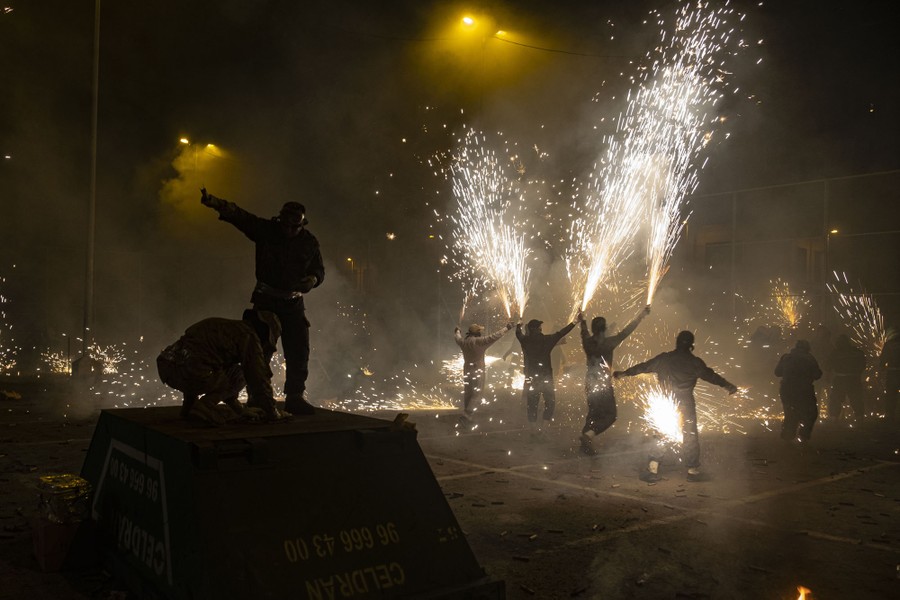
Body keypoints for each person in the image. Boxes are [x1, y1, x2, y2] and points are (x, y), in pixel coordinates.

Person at [201, 188, 325, 416]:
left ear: (302, 224)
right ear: (280, 221)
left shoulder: (309, 242)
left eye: (294, 227)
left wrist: (312, 279)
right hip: (266, 301)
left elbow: (319, 269)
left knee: (298, 349)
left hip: (293, 304)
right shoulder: (268, 231)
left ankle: (295, 397)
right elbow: (242, 217)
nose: (289, 230)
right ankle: (257, 397)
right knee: (257, 351)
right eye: (286, 225)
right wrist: (217, 204)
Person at [613, 330, 737, 482]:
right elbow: (711, 376)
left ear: (677, 342)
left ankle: (653, 470)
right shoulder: (695, 362)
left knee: (660, 434)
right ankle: (692, 471)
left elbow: (644, 367)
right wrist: (727, 385)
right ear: (692, 345)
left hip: (666, 401)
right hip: (685, 403)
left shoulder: (665, 359)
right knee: (690, 436)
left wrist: (624, 373)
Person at [156, 310, 288, 425]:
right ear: (266, 333)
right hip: (192, 373)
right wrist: (273, 412)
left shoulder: (221, 325)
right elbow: (258, 377)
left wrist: (240, 410)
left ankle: (189, 408)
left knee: (205, 362)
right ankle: (205, 406)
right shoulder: (249, 336)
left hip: (168, 369)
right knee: (242, 373)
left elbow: (195, 356)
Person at [578, 305, 650, 455]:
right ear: (605, 328)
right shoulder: (609, 343)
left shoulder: (587, 342)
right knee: (611, 415)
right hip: (603, 384)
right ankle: (588, 436)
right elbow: (626, 331)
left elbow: (584, 332)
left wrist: (582, 319)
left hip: (590, 382)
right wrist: (641, 315)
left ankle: (585, 442)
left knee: (593, 413)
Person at [516, 315, 579, 434]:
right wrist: (575, 321)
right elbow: (561, 333)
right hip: (546, 377)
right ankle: (544, 427)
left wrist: (519, 324)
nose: (541, 328)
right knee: (550, 402)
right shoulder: (547, 340)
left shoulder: (525, 341)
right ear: (536, 329)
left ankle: (533, 430)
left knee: (532, 403)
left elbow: (518, 333)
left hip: (533, 376)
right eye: (539, 326)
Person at [454, 321, 514, 421]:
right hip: (477, 369)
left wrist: (457, 331)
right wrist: (507, 328)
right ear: (477, 333)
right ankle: (467, 415)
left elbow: (457, 338)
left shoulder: (464, 342)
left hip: (467, 368)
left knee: (468, 392)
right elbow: (495, 336)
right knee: (477, 393)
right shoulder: (480, 341)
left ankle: (466, 412)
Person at [774, 339, 823, 444]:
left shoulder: (786, 357)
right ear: (807, 349)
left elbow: (777, 373)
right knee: (811, 413)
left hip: (786, 389)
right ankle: (803, 436)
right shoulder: (810, 358)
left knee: (790, 412)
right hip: (804, 390)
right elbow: (817, 375)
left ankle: (788, 437)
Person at [825, 334, 867, 423]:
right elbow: (863, 364)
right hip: (854, 379)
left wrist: (827, 376)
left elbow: (828, 365)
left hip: (840, 379)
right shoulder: (856, 352)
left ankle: (834, 417)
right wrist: (858, 373)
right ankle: (859, 417)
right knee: (856, 398)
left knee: (836, 399)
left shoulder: (836, 353)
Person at [880, 328, 900, 422]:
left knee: (891, 394)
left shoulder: (889, 344)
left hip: (892, 372)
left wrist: (881, 371)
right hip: (893, 371)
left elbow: (883, 359)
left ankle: (890, 415)